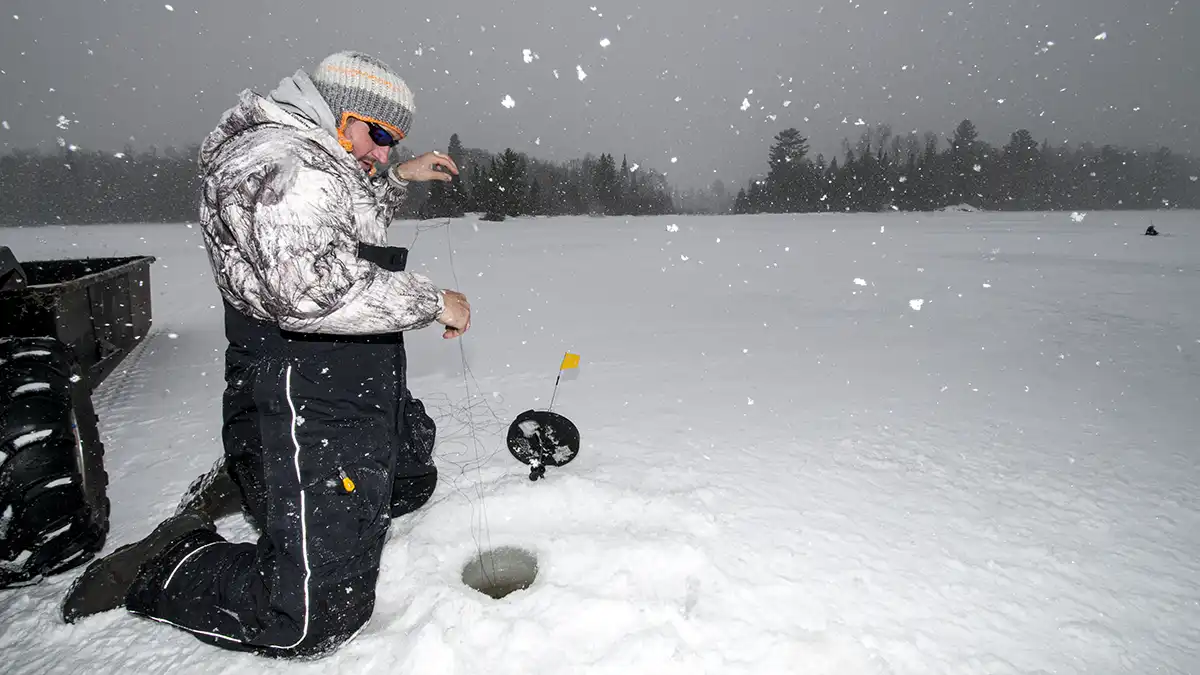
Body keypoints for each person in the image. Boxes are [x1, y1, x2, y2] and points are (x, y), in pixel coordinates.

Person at [60, 51, 471, 659]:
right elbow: (315, 292)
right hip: (303, 376)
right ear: (338, 111)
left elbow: (345, 223)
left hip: (346, 362)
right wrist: (433, 302)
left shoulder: (318, 154)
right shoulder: (282, 164)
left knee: (407, 481)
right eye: (380, 135)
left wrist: (395, 178)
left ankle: (260, 474)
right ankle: (172, 563)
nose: (383, 151)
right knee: (311, 619)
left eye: (393, 141)